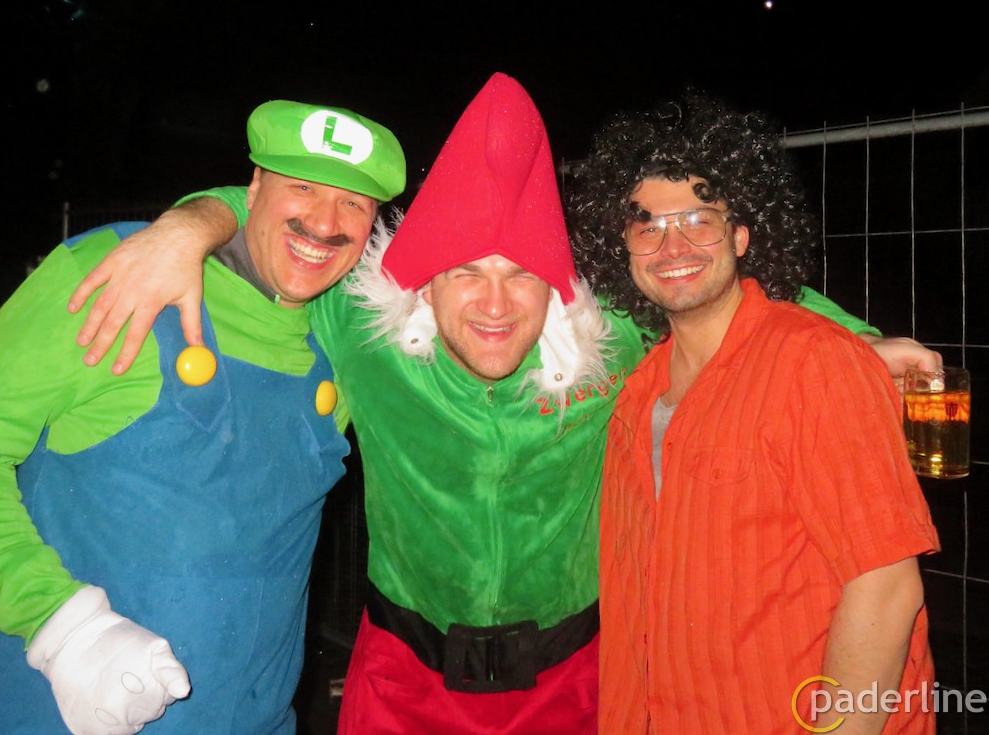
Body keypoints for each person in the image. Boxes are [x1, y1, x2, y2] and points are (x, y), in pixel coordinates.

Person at [63, 74, 938, 734]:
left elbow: (714, 284)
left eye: (521, 274)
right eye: (464, 273)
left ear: (558, 290)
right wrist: (186, 225)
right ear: (421, 284)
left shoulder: (612, 345)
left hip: (576, 689)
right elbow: (289, 228)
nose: (493, 303)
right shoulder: (364, 333)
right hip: (401, 687)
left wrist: (857, 337)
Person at [0, 99, 406, 734]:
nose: (324, 222)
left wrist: (201, 218)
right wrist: (59, 624)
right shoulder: (118, 271)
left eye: (353, 204)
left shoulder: (347, 337)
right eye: (302, 187)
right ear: (254, 186)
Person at [568, 91, 940, 734]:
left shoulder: (815, 362)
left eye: (699, 220)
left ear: (740, 236)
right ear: (622, 248)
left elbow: (885, 588)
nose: (672, 245)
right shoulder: (634, 396)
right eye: (647, 226)